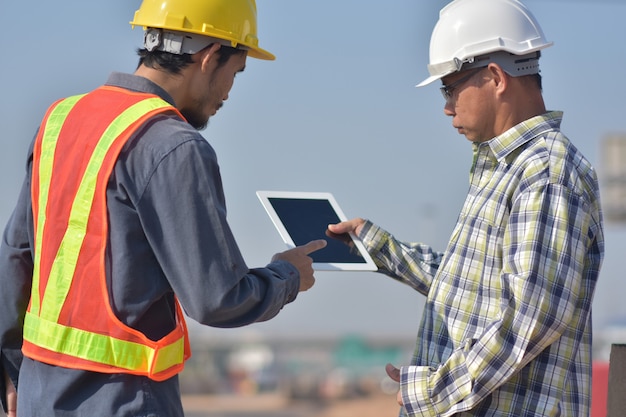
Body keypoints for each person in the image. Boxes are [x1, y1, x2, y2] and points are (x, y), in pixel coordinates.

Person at [0, 0, 326, 416]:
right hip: (126, 400)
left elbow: (16, 256)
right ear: (210, 58)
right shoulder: (172, 144)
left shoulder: (60, 119)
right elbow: (217, 299)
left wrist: (14, 370)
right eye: (236, 72)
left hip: (39, 397)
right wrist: (287, 276)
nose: (229, 92)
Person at [329, 0, 604, 415]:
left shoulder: (546, 173)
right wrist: (378, 247)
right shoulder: (507, 168)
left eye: (450, 87)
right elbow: (474, 289)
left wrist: (432, 392)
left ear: (494, 77)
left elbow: (529, 320)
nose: (446, 107)